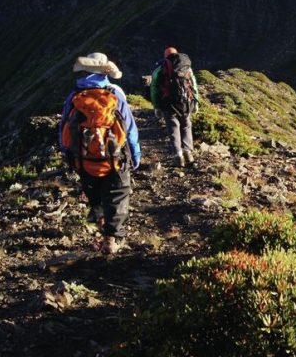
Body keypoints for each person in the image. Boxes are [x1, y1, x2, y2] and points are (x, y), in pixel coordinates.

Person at [59, 52, 141, 255]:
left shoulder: (75, 95)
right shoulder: (115, 92)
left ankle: (99, 217)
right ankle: (112, 238)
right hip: (114, 157)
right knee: (118, 194)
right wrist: (135, 155)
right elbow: (129, 128)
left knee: (94, 190)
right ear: (105, 71)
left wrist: (69, 153)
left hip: (84, 158)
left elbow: (64, 128)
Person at [150, 47, 199, 167]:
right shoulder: (187, 68)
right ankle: (188, 152)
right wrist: (196, 102)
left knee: (173, 128)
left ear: (165, 56)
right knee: (186, 126)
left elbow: (154, 89)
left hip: (168, 104)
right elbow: (193, 85)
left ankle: (178, 156)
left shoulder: (160, 69)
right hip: (185, 103)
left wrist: (157, 107)